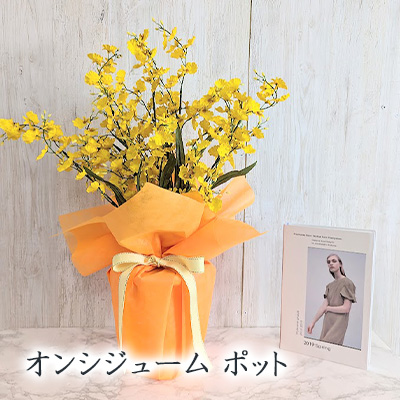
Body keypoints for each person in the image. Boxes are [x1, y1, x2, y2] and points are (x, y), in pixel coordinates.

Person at [307, 254, 356, 345]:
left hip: (339, 324)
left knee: (329, 346)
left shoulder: (347, 283)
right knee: (322, 346)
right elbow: (323, 307)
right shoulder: (330, 286)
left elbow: (346, 308)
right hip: (328, 322)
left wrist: (328, 308)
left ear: (340, 264)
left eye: (334, 261)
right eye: (328, 262)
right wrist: (312, 322)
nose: (331, 263)